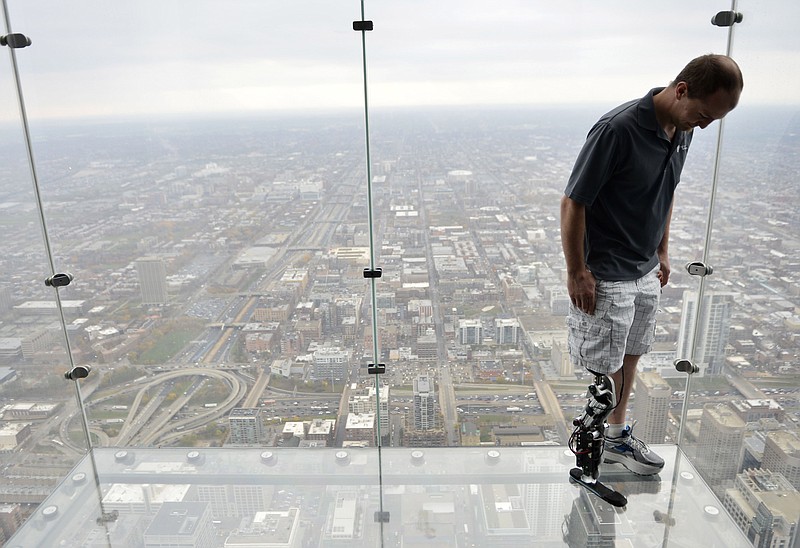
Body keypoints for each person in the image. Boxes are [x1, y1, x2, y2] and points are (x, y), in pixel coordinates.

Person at [562, 54, 743, 476]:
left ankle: (616, 437)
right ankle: (596, 446)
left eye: (712, 120)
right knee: (604, 367)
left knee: (632, 355)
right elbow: (574, 201)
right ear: (681, 90)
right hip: (607, 270)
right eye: (702, 115)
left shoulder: (682, 128)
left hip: (645, 268)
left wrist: (662, 250)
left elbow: (667, 190)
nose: (704, 125)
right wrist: (577, 272)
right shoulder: (617, 129)